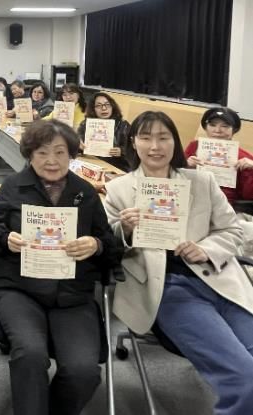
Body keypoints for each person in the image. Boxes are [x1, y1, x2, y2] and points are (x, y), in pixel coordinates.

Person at [104, 111, 253, 415]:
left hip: (220, 281)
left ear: (175, 142)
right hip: (167, 290)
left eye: (163, 137)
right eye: (146, 137)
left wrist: (206, 249)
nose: (155, 146)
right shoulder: (119, 189)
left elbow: (232, 229)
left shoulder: (201, 181)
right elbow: (105, 246)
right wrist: (125, 230)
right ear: (133, 142)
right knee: (243, 378)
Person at [0, 119, 118, 415]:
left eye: (60, 152)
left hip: (73, 295)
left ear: (71, 155)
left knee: (84, 371)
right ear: (30, 155)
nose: (52, 160)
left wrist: (95, 245)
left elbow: (110, 245)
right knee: (30, 355)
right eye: (42, 152)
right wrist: (6, 239)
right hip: (20, 290)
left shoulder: (85, 192)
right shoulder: (13, 186)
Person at [77, 92, 131, 171]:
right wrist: (77, 145)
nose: (104, 108)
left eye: (107, 104)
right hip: (91, 163)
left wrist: (122, 151)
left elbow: (134, 151)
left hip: (116, 167)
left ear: (112, 107)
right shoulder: (86, 124)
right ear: (93, 109)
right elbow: (76, 148)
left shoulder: (123, 126)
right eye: (99, 105)